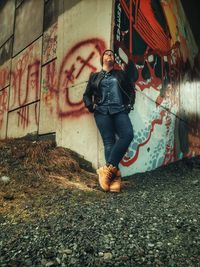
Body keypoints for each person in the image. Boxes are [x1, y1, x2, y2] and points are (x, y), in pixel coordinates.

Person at [83, 49, 135, 192]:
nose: (109, 55)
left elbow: (131, 90)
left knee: (128, 134)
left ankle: (106, 170)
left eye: (111, 54)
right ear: (102, 59)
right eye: (106, 53)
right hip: (102, 112)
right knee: (109, 142)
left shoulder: (121, 74)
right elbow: (86, 95)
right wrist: (90, 105)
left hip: (119, 110)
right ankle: (114, 179)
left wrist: (129, 105)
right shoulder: (94, 77)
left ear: (114, 59)